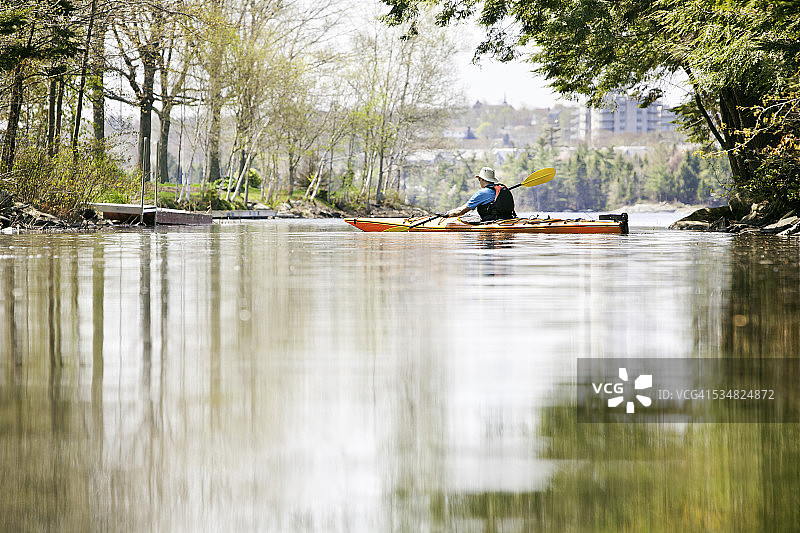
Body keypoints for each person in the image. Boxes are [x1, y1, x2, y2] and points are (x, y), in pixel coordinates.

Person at [444, 167, 517, 221]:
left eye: (479, 179)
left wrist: (447, 215)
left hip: (493, 226)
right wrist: (449, 212)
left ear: (481, 179)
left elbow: (461, 212)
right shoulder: (500, 189)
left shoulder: (481, 193)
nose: (479, 181)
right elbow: (461, 208)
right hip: (508, 219)